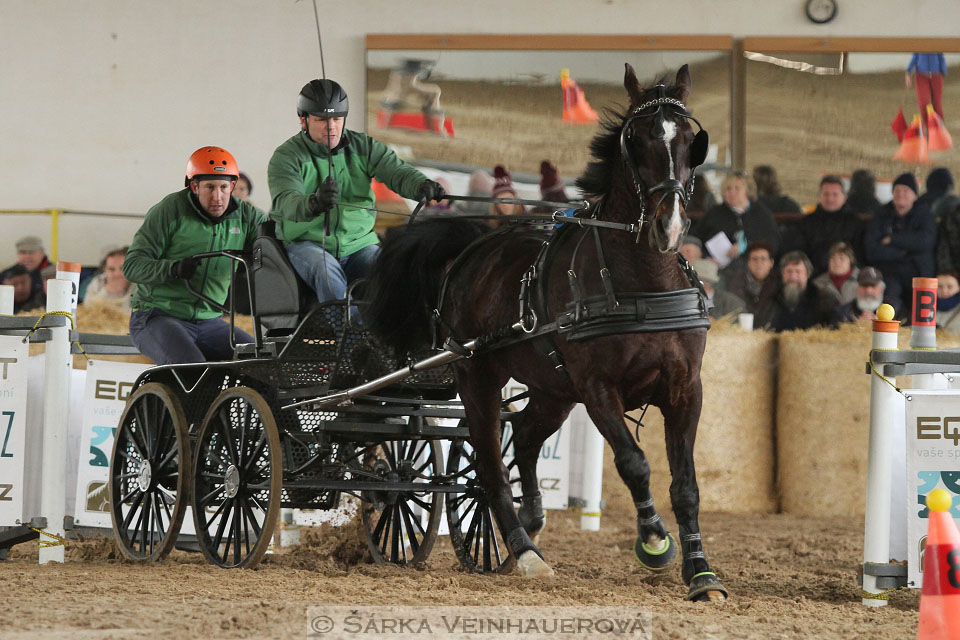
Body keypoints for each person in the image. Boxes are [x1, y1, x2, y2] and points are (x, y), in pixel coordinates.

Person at [268, 78, 444, 304]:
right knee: (326, 272)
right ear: (303, 121)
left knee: (388, 272)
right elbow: (286, 201)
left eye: (337, 119)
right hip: (308, 245)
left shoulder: (365, 147)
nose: (331, 126)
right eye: (321, 119)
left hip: (360, 244)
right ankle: (349, 336)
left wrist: (420, 185)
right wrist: (314, 203)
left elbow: (396, 171)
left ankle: (387, 334)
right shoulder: (286, 156)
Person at [124, 146, 266, 365]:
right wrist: (173, 269)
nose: (217, 197)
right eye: (209, 187)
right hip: (158, 316)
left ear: (233, 187)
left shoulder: (247, 217)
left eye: (223, 187)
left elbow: (277, 240)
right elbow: (132, 266)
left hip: (210, 321)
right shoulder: (170, 210)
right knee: (192, 367)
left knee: (259, 362)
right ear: (194, 186)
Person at [864, 172, 936, 318]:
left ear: (915, 195)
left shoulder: (925, 215)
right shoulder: (881, 215)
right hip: (889, 272)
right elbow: (872, 250)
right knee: (889, 307)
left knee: (919, 312)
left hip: (919, 273)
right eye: (897, 190)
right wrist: (903, 252)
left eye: (905, 191)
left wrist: (892, 239)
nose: (900, 194)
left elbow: (925, 241)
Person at [691, 171, 779, 275]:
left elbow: (773, 242)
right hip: (717, 270)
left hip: (753, 271)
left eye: (737, 188)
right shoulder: (714, 213)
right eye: (728, 189)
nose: (732, 192)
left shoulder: (761, 214)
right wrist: (706, 257)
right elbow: (696, 238)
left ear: (747, 191)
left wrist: (747, 244)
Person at [782, 175, 864, 276]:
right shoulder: (805, 223)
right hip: (813, 276)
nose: (830, 198)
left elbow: (860, 256)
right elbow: (799, 253)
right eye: (826, 194)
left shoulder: (855, 224)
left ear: (844, 197)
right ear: (819, 196)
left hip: (846, 276)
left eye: (835, 194)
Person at [766, 251, 836, 332]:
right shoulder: (771, 298)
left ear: (808, 274)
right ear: (782, 274)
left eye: (798, 271)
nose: (793, 276)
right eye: (789, 271)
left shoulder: (824, 299)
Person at [379, 58, 446, 135]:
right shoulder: (409, 75)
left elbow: (412, 84)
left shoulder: (397, 73)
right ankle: (438, 130)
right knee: (435, 93)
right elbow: (412, 85)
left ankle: (384, 126)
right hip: (393, 101)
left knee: (433, 95)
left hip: (389, 100)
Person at [725, 242, 780, 329]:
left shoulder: (779, 284)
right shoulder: (736, 282)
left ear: (771, 263)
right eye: (754, 259)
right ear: (748, 263)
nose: (759, 263)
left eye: (763, 259)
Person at [906, 52, 946, 134]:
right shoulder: (919, 42)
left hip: (936, 75)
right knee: (924, 103)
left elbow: (941, 56)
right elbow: (915, 56)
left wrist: (943, 72)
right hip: (921, 75)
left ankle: (940, 128)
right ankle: (928, 127)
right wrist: (908, 71)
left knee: (937, 104)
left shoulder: (936, 41)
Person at [811, 242, 859, 306]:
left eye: (841, 258)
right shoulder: (817, 284)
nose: (837, 262)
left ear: (850, 261)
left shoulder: (863, 280)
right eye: (833, 258)